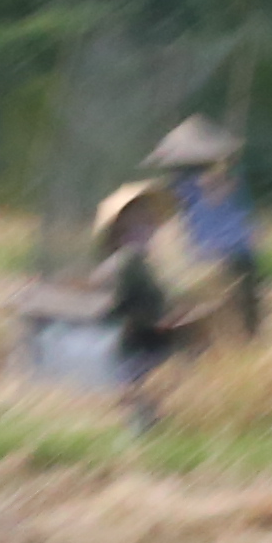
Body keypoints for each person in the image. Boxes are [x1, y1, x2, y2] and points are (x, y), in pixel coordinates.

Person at [90, 179, 201, 431]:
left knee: (148, 397)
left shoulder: (143, 262)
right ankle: (141, 434)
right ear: (123, 230)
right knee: (143, 395)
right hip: (139, 342)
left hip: (147, 340)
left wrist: (174, 312)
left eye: (149, 222)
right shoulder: (127, 262)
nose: (148, 228)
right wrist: (158, 320)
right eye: (141, 223)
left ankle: (145, 430)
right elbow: (115, 306)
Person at [147, 115, 262, 338]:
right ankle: (246, 337)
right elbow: (248, 216)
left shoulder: (176, 187)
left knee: (219, 306)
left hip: (207, 253)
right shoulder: (229, 180)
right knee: (244, 305)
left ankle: (232, 337)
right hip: (232, 250)